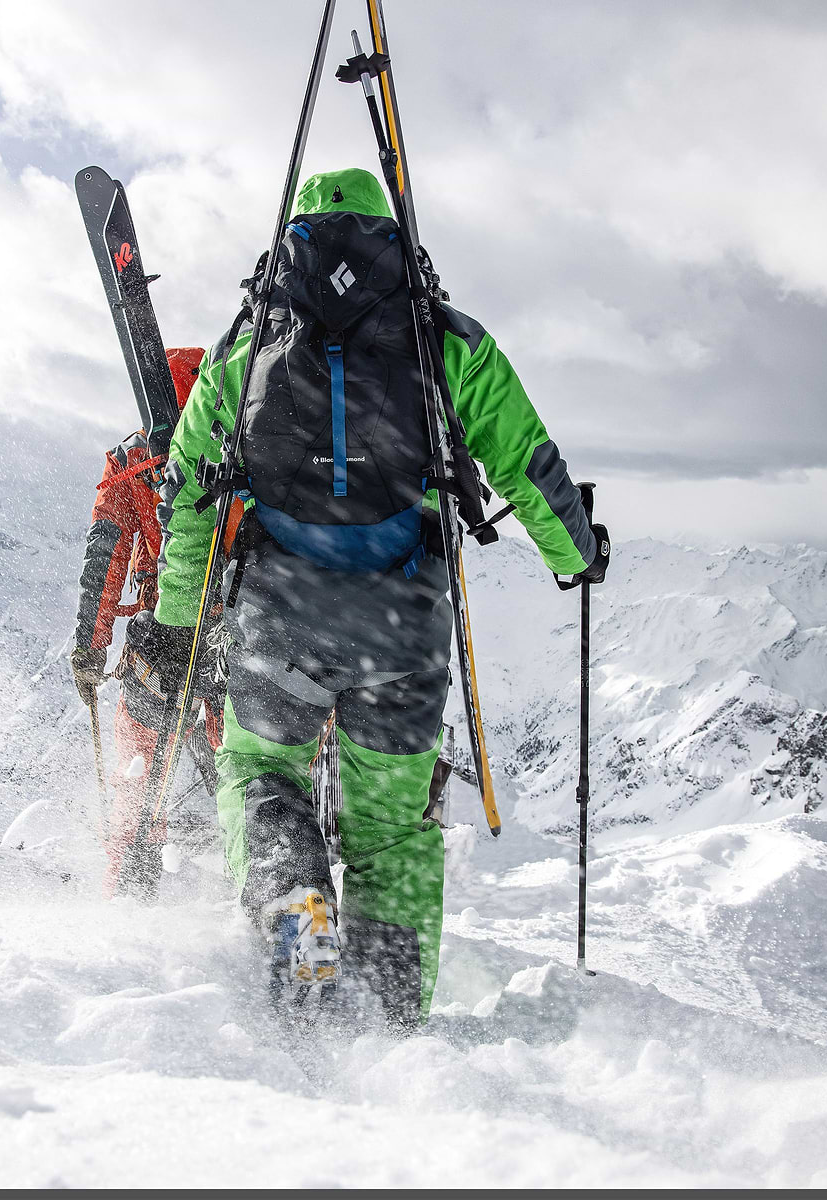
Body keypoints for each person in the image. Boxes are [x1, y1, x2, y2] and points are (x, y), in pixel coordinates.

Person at [152, 168, 609, 1028]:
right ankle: (394, 1018)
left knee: (258, 772)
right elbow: (528, 464)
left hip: (280, 611)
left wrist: (180, 619)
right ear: (390, 237)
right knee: (392, 830)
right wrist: (577, 555)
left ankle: (297, 920)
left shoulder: (245, 343)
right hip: (403, 622)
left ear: (291, 244)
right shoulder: (446, 339)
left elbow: (184, 489)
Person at [70, 347, 225, 899]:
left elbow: (105, 558)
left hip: (159, 643)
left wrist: (91, 648)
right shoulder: (245, 445)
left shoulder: (131, 460)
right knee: (251, 774)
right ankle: (267, 896)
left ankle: (128, 894)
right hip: (240, 638)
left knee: (138, 779)